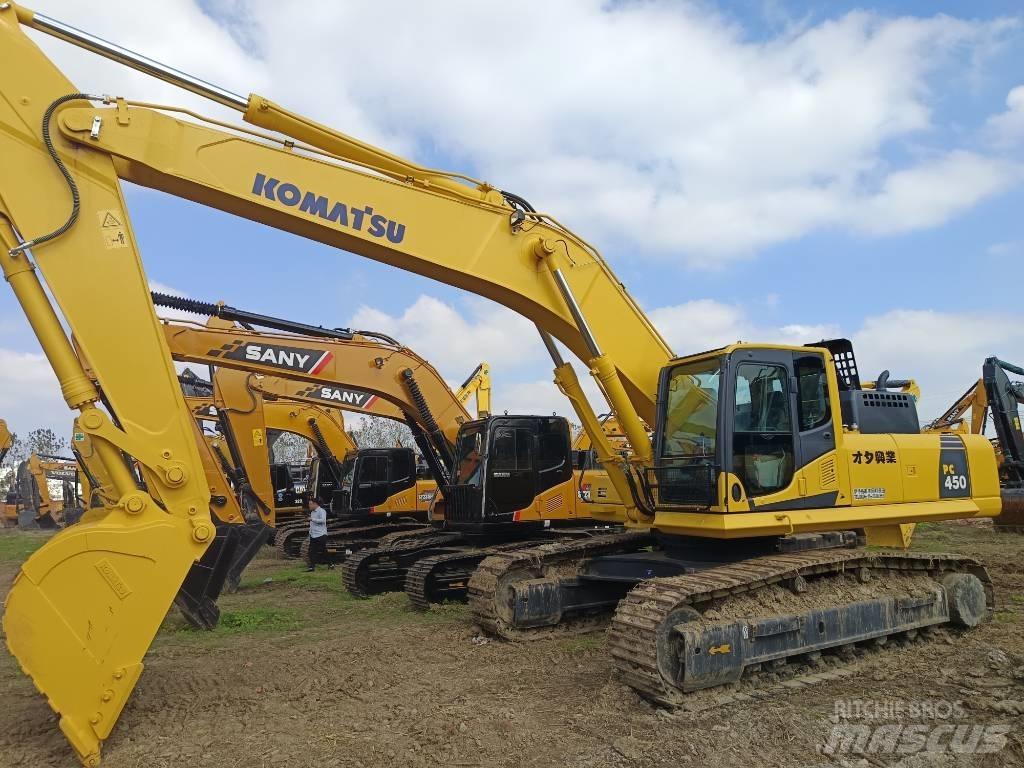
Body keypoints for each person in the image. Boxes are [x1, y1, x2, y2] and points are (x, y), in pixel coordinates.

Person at [306, 496, 331, 571]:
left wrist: (312, 519)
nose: (309, 506)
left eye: (310, 504)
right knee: (311, 551)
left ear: (315, 504)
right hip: (313, 535)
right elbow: (312, 524)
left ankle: (331, 563)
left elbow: (323, 520)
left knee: (323, 551)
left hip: (321, 535)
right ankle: (312, 567)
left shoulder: (322, 511)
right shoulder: (312, 512)